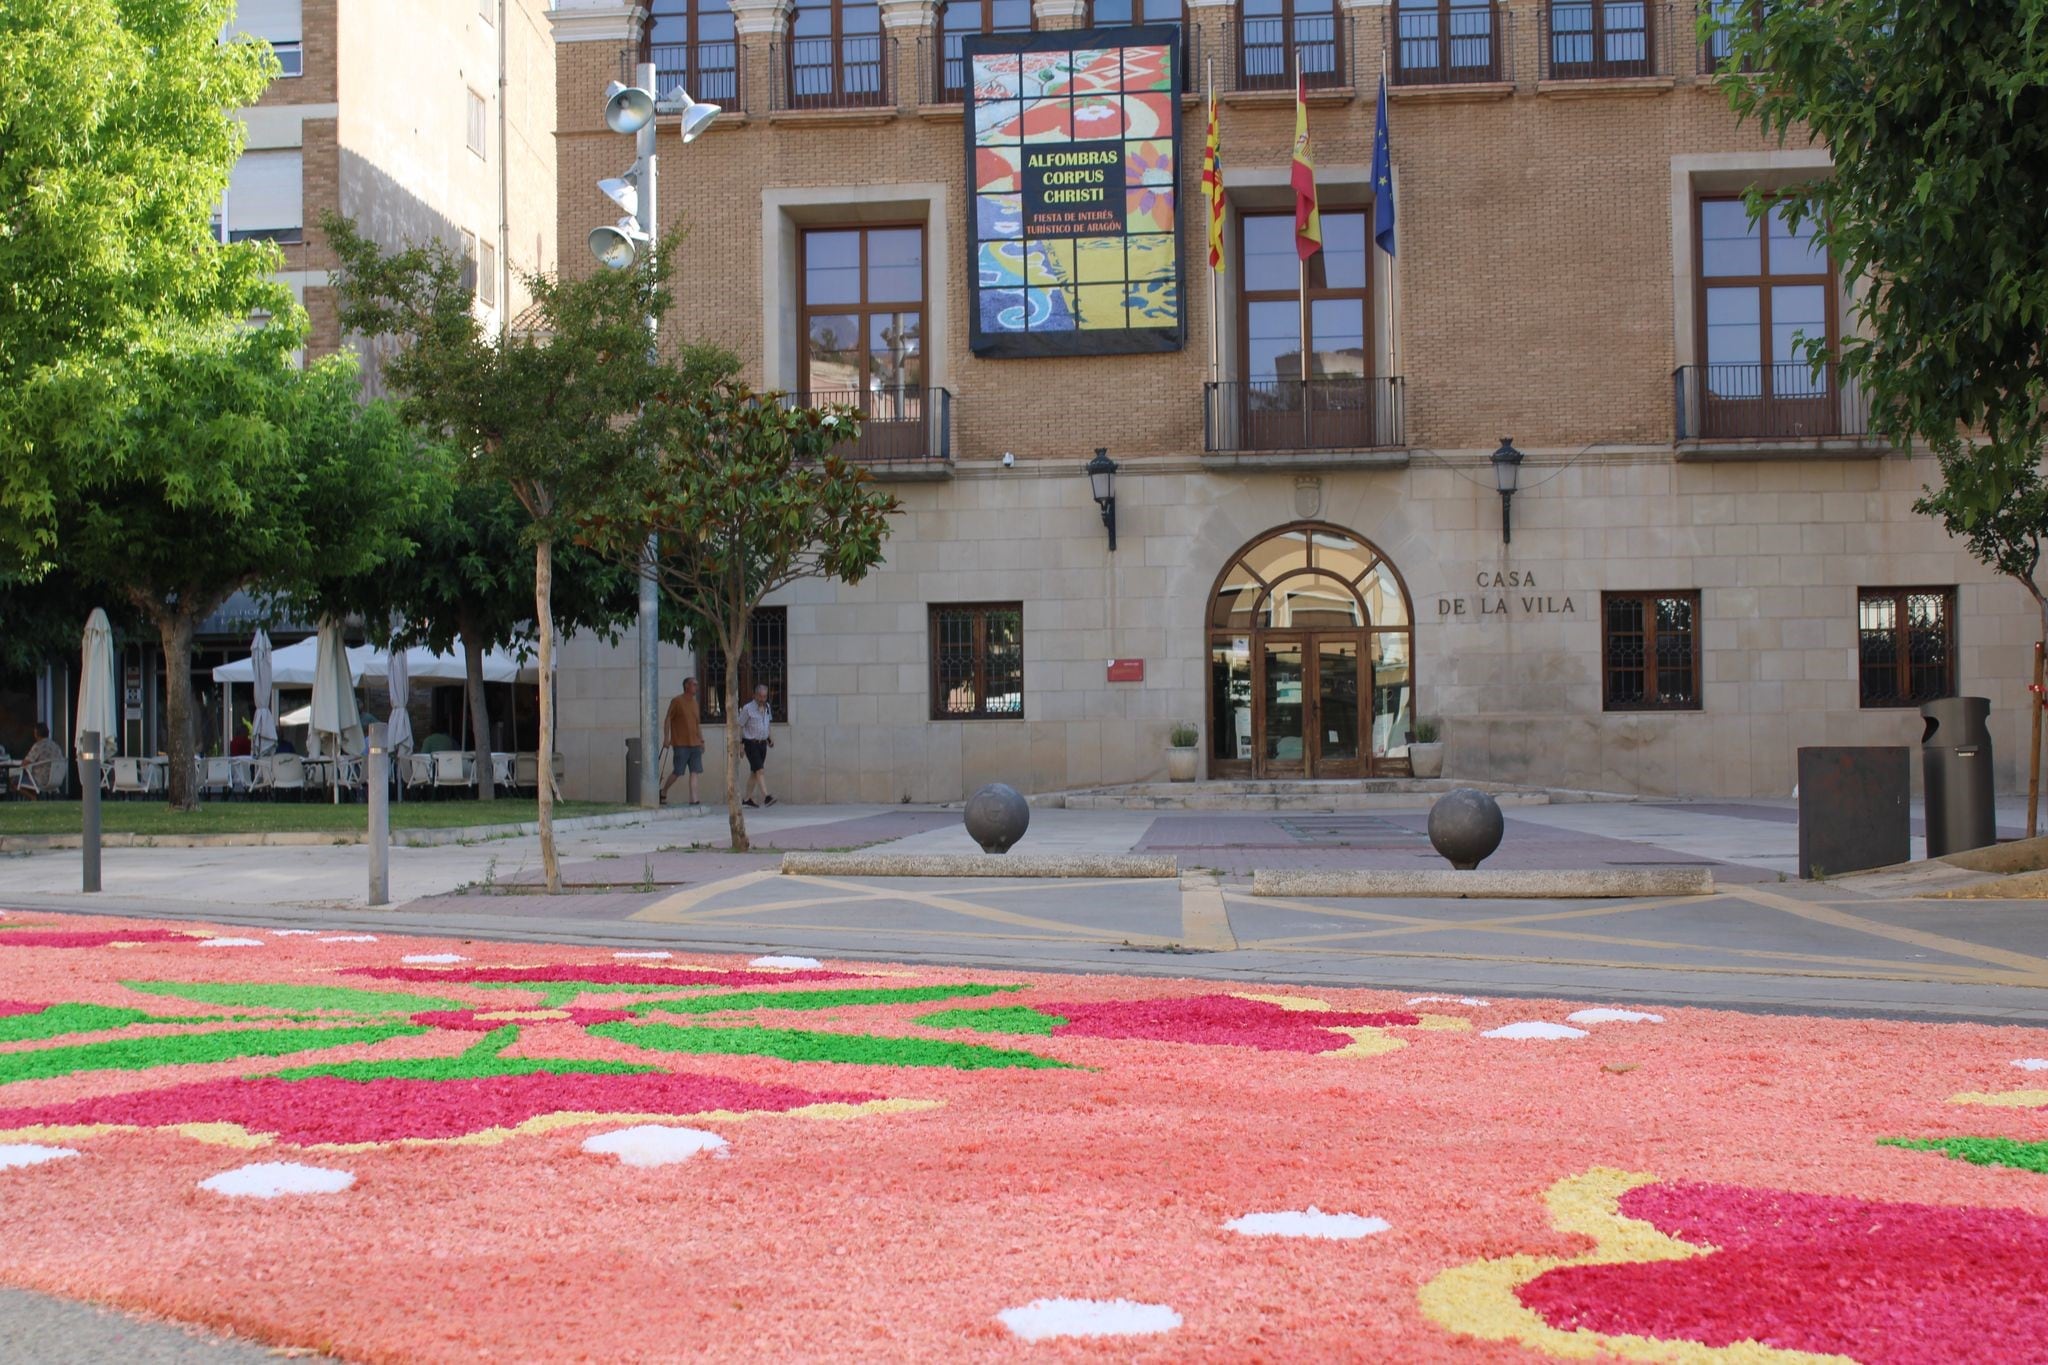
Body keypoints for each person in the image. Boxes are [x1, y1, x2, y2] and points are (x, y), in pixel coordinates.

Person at [660, 677, 704, 807]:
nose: (696, 687)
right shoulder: (677, 701)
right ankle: (663, 791)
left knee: (695, 771)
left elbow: (697, 723)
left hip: (695, 743)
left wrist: (702, 740)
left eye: (697, 684)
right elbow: (668, 719)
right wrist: (666, 738)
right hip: (681, 744)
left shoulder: (695, 703)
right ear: (686, 686)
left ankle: (694, 799)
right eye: (694, 684)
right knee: (678, 771)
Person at [738, 682, 776, 808]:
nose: (762, 699)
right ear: (755, 695)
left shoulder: (768, 707)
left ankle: (747, 799)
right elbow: (739, 726)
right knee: (760, 770)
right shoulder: (747, 708)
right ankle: (767, 796)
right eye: (760, 696)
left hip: (762, 744)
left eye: (764, 696)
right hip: (751, 743)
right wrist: (740, 745)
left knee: (754, 772)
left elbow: (767, 724)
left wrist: (770, 738)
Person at [22, 723, 62, 799]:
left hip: (41, 780)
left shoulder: (38, 746)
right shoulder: (56, 746)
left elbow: (25, 763)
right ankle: (37, 797)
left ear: (36, 733)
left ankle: (34, 798)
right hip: (56, 779)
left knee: (14, 780)